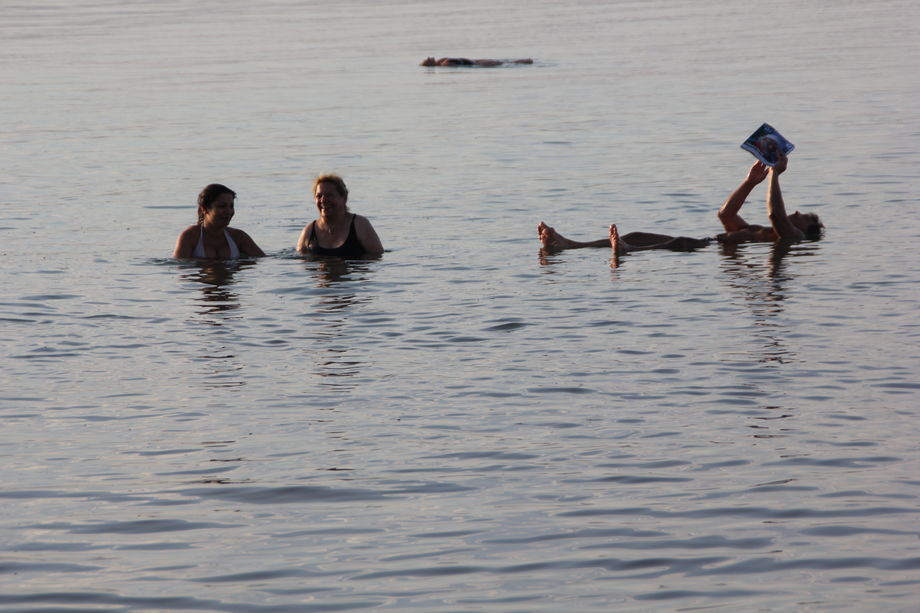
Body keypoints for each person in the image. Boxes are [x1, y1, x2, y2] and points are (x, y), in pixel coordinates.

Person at [538, 153, 822, 257]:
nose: (796, 213)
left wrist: (775, 174)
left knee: (680, 241)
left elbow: (775, 213)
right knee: (636, 233)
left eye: (804, 217)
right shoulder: (759, 231)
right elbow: (726, 214)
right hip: (711, 242)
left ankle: (626, 252)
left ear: (805, 231)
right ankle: (571, 245)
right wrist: (750, 181)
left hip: (702, 249)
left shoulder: (792, 237)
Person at [296, 174, 384, 258]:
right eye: (319, 196)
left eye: (329, 195)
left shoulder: (360, 225)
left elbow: (377, 257)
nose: (323, 200)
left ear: (344, 198)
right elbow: (300, 262)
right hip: (320, 273)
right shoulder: (308, 231)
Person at [173, 184, 265, 259]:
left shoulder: (239, 237)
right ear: (205, 209)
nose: (228, 211)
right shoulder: (190, 236)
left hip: (230, 281)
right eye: (222, 206)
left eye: (231, 206)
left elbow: (263, 261)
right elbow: (180, 269)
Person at [420, 56, 533, 67]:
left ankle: (526, 61)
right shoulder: (444, 64)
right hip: (475, 64)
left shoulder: (441, 61)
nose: (429, 57)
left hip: (474, 61)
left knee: (501, 62)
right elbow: (453, 66)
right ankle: (526, 61)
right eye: (428, 60)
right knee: (502, 63)